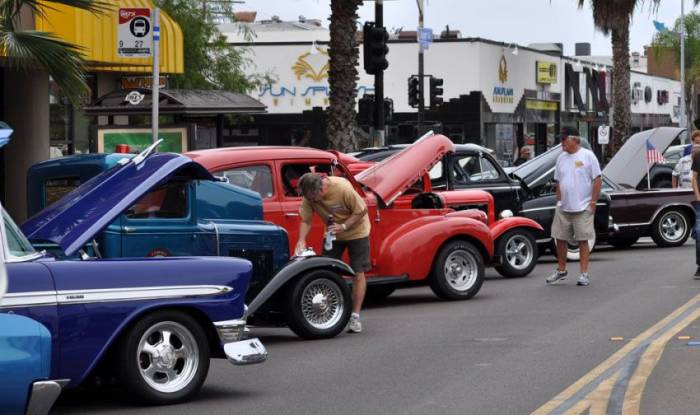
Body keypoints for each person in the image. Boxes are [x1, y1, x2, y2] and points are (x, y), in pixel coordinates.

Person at [295, 173, 371, 333]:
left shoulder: (342, 188)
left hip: (357, 231)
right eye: (310, 198)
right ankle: (329, 312)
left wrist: (343, 226)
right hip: (332, 234)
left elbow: (362, 210)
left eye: (315, 197)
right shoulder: (309, 195)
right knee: (327, 271)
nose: (314, 201)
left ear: (322, 188)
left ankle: (355, 317)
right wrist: (301, 240)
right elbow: (306, 220)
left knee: (358, 271)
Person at [546, 127, 602, 286]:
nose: (561, 142)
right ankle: (561, 270)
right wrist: (558, 201)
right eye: (561, 139)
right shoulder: (561, 158)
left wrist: (593, 203)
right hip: (563, 207)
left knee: (583, 240)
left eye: (564, 139)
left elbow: (597, 180)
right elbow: (558, 181)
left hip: (583, 206)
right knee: (560, 238)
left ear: (575, 139)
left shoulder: (588, 156)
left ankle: (584, 274)